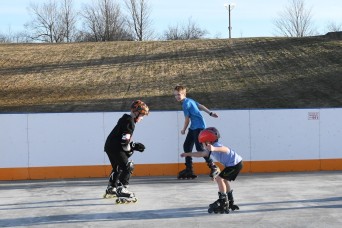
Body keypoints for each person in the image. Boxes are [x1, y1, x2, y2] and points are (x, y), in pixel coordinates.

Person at [180, 127, 243, 214]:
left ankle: (223, 200)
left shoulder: (216, 146)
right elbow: (201, 154)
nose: (202, 144)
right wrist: (188, 154)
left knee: (219, 179)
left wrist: (214, 149)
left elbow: (225, 149)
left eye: (203, 142)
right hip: (233, 164)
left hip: (235, 164)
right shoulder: (210, 149)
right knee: (223, 180)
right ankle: (230, 201)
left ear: (208, 141)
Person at [103, 100, 149, 202]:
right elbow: (124, 143)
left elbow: (122, 139)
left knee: (118, 167)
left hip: (109, 146)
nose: (142, 118)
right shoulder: (130, 122)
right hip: (116, 147)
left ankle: (111, 188)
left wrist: (133, 145)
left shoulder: (125, 119)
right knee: (128, 166)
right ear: (136, 112)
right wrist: (133, 147)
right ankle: (122, 190)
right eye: (142, 115)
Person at [174, 85, 219, 179]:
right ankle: (189, 169)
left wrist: (183, 129)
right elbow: (200, 106)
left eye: (178, 95)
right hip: (194, 127)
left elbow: (187, 119)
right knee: (187, 146)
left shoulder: (185, 104)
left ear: (183, 94)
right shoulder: (190, 100)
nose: (177, 97)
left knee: (199, 148)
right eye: (175, 95)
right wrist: (210, 113)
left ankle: (213, 166)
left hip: (198, 127)